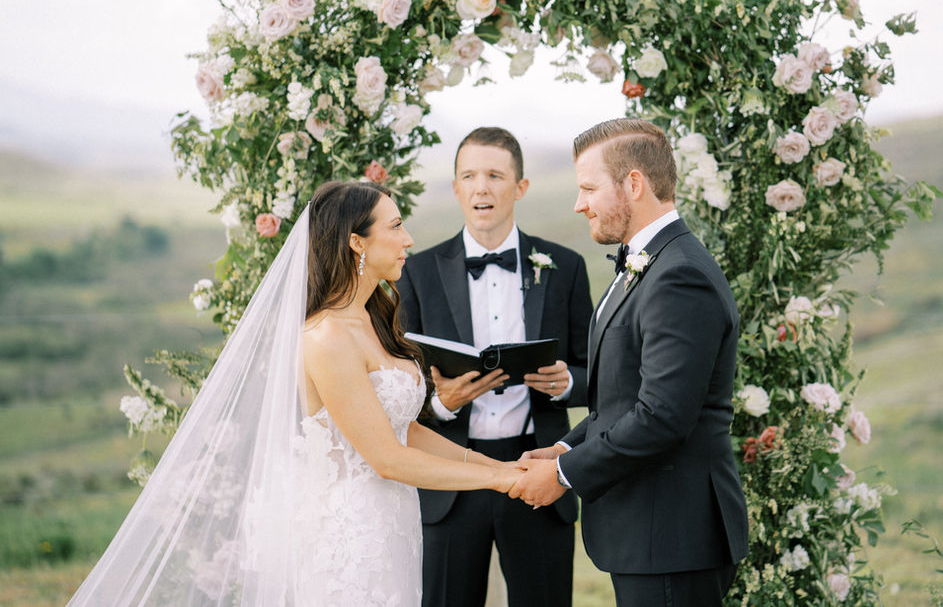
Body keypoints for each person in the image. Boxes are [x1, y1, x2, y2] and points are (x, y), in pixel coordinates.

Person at [68, 181, 522, 606]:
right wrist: (502, 481)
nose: (409, 239)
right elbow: (387, 458)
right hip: (348, 537)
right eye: (397, 226)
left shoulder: (373, 319)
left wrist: (499, 466)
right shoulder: (326, 336)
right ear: (356, 241)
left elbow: (406, 433)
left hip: (392, 525)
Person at [509, 119, 749, 606]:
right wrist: (562, 449)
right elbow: (619, 401)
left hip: (672, 536)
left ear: (634, 184)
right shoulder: (647, 263)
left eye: (589, 188)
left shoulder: (679, 274)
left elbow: (661, 417)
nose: (579, 204)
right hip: (650, 534)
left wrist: (563, 475)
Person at [396, 127, 592, 607]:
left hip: (537, 474)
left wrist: (568, 384)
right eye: (469, 176)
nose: (481, 187)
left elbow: (598, 374)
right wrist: (441, 404)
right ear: (456, 188)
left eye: (495, 175)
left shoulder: (564, 266)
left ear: (520, 187)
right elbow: (395, 387)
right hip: (449, 480)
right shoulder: (416, 273)